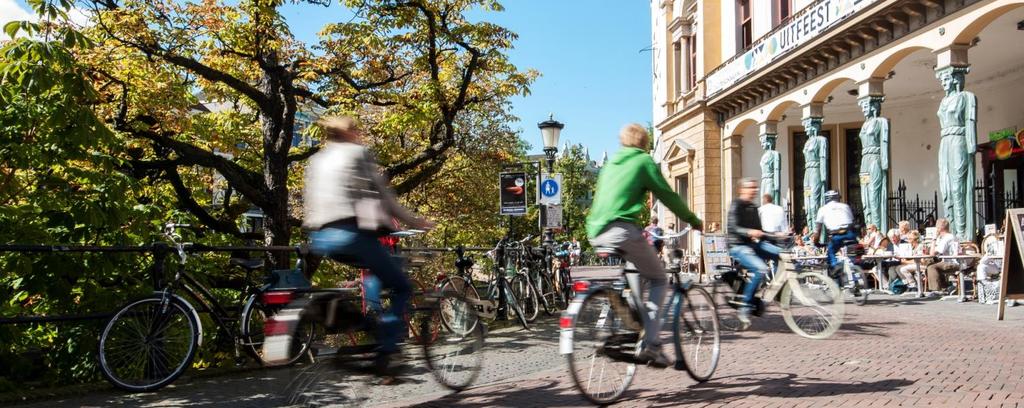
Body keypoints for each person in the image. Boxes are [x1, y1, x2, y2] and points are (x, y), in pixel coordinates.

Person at [303, 116, 434, 375]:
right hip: (352, 235)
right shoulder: (358, 153)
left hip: (322, 238)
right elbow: (384, 196)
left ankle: (363, 325)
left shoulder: (317, 160)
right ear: (351, 133)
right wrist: (413, 220)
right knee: (401, 286)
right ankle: (387, 351)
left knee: (374, 272)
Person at [587, 123, 703, 368]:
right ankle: (651, 344)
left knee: (635, 273)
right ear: (644, 142)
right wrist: (693, 220)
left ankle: (636, 325)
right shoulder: (643, 161)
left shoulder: (610, 165)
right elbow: (667, 195)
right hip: (622, 230)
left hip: (597, 231)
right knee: (660, 279)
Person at [727, 178, 782, 327]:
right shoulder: (736, 205)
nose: (755, 190)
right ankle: (745, 307)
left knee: (783, 254)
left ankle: (777, 290)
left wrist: (775, 235)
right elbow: (733, 227)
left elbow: (760, 231)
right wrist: (749, 231)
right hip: (738, 245)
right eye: (751, 187)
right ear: (742, 189)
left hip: (753, 244)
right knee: (760, 268)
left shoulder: (753, 207)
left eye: (755, 188)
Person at [810, 190, 858, 275]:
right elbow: (852, 222)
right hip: (850, 233)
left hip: (837, 235)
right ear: (838, 198)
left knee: (830, 252)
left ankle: (835, 266)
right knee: (853, 255)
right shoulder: (845, 206)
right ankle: (856, 269)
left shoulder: (822, 209)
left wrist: (816, 242)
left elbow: (818, 230)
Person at [925, 218, 960, 296]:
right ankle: (945, 286)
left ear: (940, 228)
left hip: (952, 262)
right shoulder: (949, 236)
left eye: (937, 227)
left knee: (931, 267)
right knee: (932, 264)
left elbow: (933, 253)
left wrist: (934, 238)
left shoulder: (946, 238)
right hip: (952, 261)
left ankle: (936, 290)